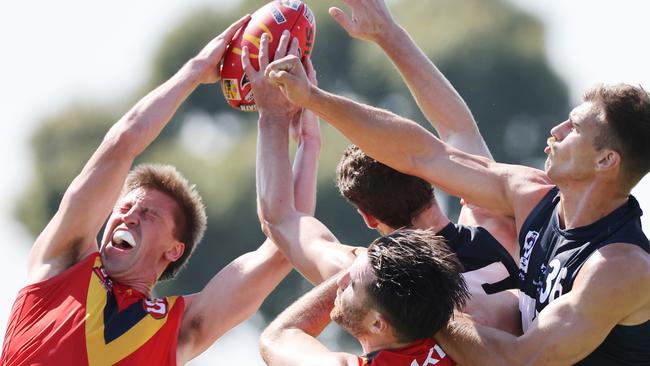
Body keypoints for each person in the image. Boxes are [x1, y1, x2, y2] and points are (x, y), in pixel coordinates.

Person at [263, 31, 650, 364]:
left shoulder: (619, 267)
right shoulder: (525, 202)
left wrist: (420, 307)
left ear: (606, 160)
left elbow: (522, 359)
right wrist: (316, 95)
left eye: (575, 127)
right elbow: (429, 152)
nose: (557, 129)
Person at [0, 17, 321, 366]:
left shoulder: (180, 327)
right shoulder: (62, 263)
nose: (128, 214)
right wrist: (196, 70)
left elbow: (284, 247)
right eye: (124, 207)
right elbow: (121, 145)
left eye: (148, 213)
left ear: (174, 250)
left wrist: (305, 139)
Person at [252, 0, 521, 334]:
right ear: (428, 178)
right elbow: (457, 129)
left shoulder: (379, 280)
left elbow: (281, 220)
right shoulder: (495, 223)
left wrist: (274, 117)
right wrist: (388, 34)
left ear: (368, 217)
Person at [260, 229, 469, 366]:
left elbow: (279, 336)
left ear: (378, 324)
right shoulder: (465, 348)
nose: (340, 280)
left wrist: (356, 265)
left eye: (351, 284)